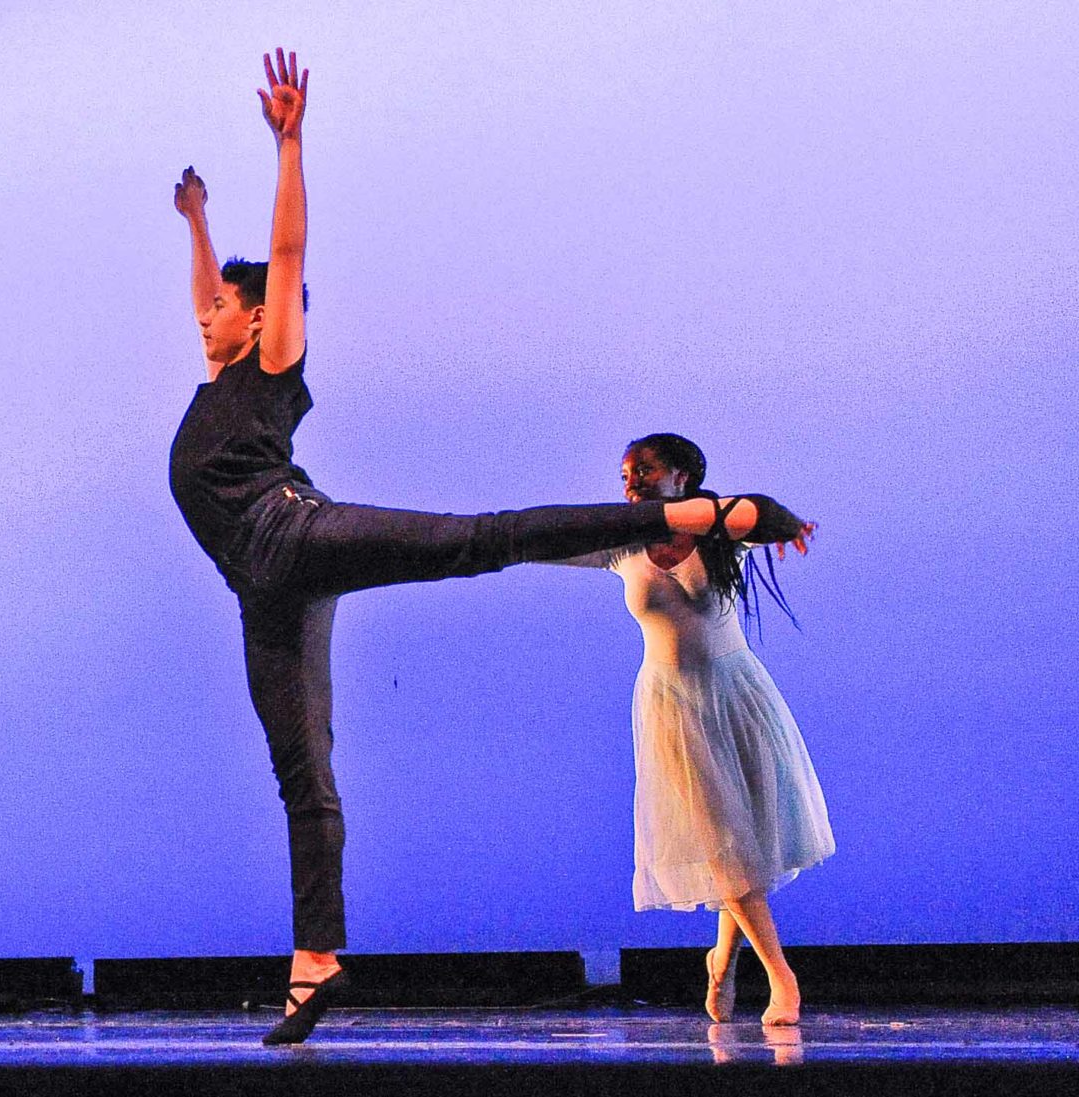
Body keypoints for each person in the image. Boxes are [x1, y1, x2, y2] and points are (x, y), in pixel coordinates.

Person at [165, 49, 816, 1045]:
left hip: (292, 532)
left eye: (219, 304)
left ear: (257, 322)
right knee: (302, 768)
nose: (201, 309)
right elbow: (216, 289)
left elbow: (281, 262)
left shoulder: (267, 367)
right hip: (257, 588)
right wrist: (198, 225)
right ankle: (315, 959)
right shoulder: (219, 378)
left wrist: (289, 146)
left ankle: (691, 515)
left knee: (480, 540)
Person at [555, 433, 832, 1026]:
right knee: (721, 838)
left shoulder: (717, 530)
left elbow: (764, 515)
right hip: (673, 704)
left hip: (736, 691)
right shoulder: (620, 545)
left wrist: (789, 527)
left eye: (645, 470)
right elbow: (549, 543)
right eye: (625, 474)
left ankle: (723, 960)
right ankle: (783, 981)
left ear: (681, 476)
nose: (631, 482)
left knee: (747, 835)